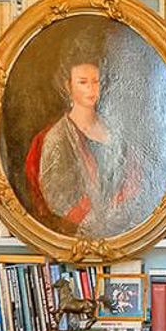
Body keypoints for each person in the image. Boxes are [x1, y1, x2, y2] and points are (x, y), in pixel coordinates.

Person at [25, 46, 142, 237]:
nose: (91, 89)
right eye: (83, 82)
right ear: (68, 86)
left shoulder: (116, 133)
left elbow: (133, 185)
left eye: (96, 82)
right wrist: (94, 217)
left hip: (119, 231)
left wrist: (118, 210)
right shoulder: (57, 137)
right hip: (78, 234)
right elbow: (58, 199)